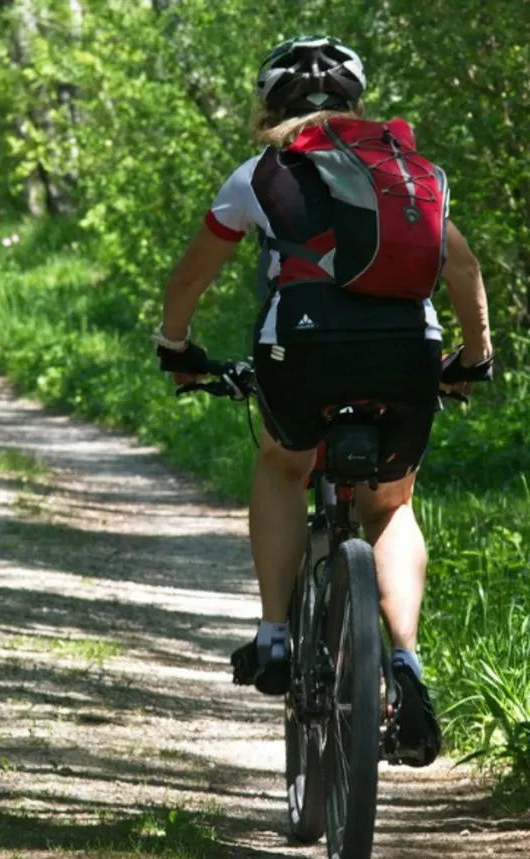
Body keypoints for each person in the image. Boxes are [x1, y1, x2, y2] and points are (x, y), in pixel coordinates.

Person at [154, 36, 493, 766]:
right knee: (391, 505)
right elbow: (460, 266)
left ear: (268, 107)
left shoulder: (260, 174)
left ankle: (275, 636)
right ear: (356, 104)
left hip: (301, 352)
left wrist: (176, 350)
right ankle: (405, 662)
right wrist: (473, 359)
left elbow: (188, 282)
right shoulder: (405, 171)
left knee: (282, 462)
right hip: (407, 352)